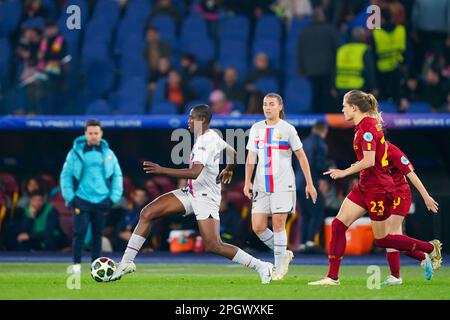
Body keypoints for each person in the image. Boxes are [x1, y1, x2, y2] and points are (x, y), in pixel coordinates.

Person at [111, 105, 274, 284]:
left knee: (214, 245)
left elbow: (195, 172)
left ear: (202, 120)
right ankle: (126, 262)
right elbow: (233, 153)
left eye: (191, 118)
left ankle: (261, 266)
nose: (188, 121)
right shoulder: (212, 136)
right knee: (147, 213)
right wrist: (229, 169)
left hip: (205, 197)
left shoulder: (205, 142)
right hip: (191, 192)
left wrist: (161, 169)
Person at [308, 90, 442, 286]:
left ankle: (429, 249)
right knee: (338, 225)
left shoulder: (367, 129)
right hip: (365, 186)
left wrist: (344, 172)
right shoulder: (363, 126)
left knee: (382, 240)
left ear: (354, 108)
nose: (342, 109)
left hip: (379, 190)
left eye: (344, 105)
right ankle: (332, 277)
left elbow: (369, 161)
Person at [244, 93, 318, 280]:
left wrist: (310, 183)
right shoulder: (256, 128)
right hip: (261, 184)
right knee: (258, 226)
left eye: (271, 104)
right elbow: (251, 157)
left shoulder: (288, 129)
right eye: (265, 104)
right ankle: (283, 253)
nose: (267, 108)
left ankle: (278, 270)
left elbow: (301, 156)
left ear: (279, 107)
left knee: (278, 223)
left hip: (283, 184)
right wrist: (247, 181)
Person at [60, 119, 123, 273]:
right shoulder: (75, 153)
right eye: (90, 133)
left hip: (102, 199)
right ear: (85, 134)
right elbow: (66, 176)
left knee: (97, 235)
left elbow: (117, 176)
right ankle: (76, 265)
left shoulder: (108, 153)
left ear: (101, 134)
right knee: (79, 233)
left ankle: (96, 267)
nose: (94, 136)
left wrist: (112, 198)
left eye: (96, 133)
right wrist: (71, 197)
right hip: (81, 198)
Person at [382, 141, 439, 285]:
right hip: (385, 196)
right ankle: (424, 256)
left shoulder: (392, 150)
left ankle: (396, 276)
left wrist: (426, 197)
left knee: (390, 236)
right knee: (395, 239)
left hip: (401, 194)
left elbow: (411, 174)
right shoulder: (369, 152)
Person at [296, 120, 329, 253]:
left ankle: (303, 243)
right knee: (317, 211)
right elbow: (319, 165)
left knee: (305, 214)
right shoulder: (320, 144)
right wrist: (328, 171)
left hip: (298, 183)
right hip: (310, 183)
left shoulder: (304, 142)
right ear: (324, 131)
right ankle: (310, 242)